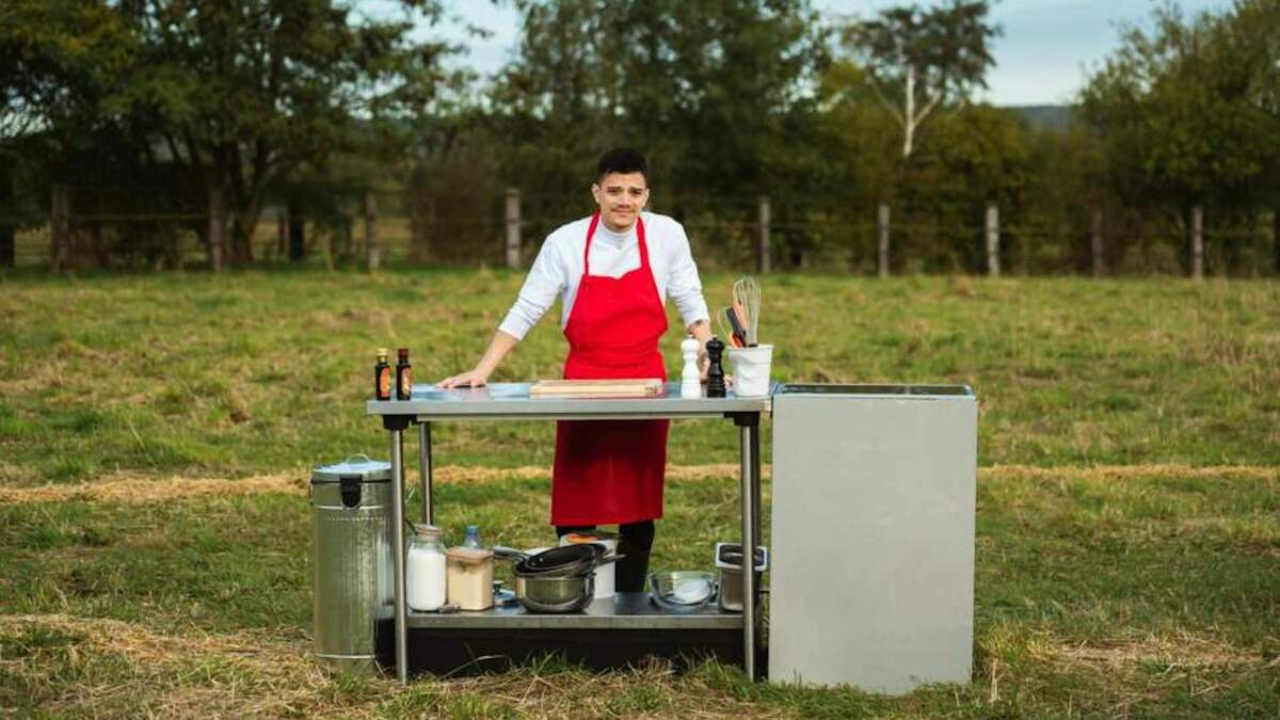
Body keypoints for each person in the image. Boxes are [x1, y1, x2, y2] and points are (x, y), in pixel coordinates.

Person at [438, 148, 713, 591]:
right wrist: (481, 369)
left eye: (634, 192)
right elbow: (527, 308)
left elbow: (689, 298)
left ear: (647, 195)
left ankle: (629, 599)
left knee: (638, 503)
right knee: (577, 500)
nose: (625, 200)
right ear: (596, 192)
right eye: (614, 190)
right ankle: (575, 596)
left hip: (645, 384)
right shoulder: (565, 242)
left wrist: (707, 352)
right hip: (582, 382)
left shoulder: (667, 235)